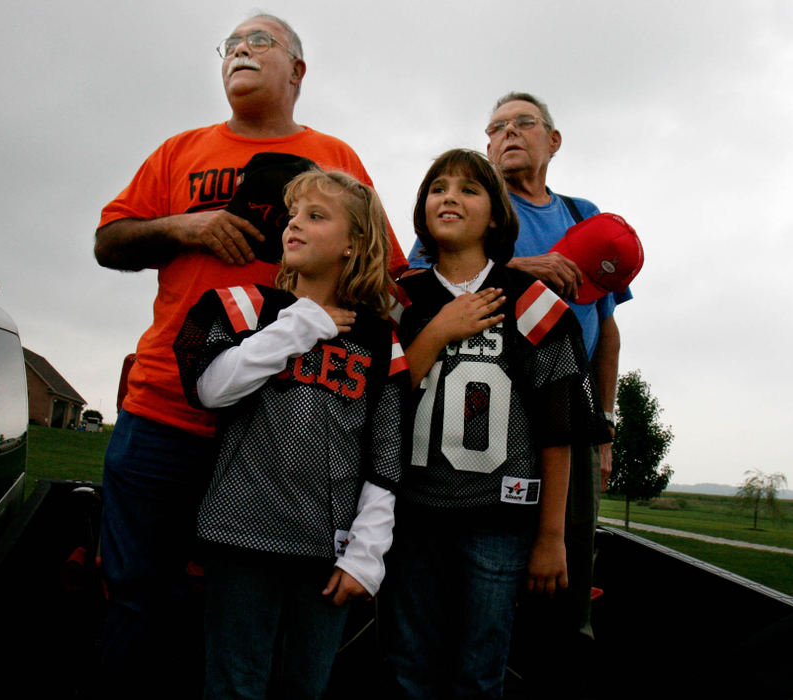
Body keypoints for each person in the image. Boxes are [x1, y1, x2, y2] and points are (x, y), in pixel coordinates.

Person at [93, 14, 406, 695]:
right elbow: (109, 243)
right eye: (230, 44)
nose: (239, 50)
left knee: (244, 619)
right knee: (136, 596)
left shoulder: (336, 159)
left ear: (297, 71)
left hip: (279, 434)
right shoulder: (179, 151)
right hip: (168, 410)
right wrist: (185, 226)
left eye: (258, 42)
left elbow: (388, 279)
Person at [407, 92, 631, 693]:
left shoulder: (584, 216)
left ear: (553, 140)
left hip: (558, 411)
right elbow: (425, 293)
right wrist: (521, 271)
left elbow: (605, 328)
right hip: (460, 432)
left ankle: (552, 664)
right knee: (426, 632)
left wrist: (602, 423)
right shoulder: (461, 217)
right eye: (496, 126)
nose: (508, 133)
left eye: (523, 123)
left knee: (558, 566)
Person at [173, 170, 407, 699]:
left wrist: (365, 554)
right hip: (240, 536)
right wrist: (301, 323)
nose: (295, 225)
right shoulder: (244, 307)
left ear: (354, 244)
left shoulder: (377, 340)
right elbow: (212, 387)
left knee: (304, 688)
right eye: (293, 216)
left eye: (316, 216)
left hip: (326, 554)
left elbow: (385, 457)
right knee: (234, 686)